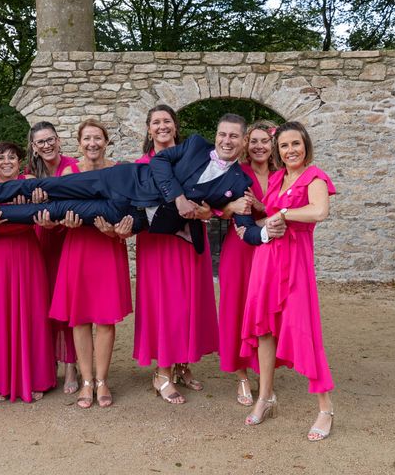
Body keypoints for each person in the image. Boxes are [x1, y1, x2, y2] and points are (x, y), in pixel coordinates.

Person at [0, 114, 276, 253]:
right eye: (223, 134)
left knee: (55, 209)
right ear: (216, 134)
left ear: (243, 140)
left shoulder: (238, 180)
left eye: (234, 136)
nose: (227, 141)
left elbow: (245, 227)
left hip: (130, 214)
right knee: (51, 186)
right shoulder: (196, 145)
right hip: (119, 178)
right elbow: (159, 161)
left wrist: (267, 230)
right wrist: (178, 199)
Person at [239, 121, 336, 441]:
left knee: (304, 331)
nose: (290, 150)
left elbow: (319, 211)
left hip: (295, 265)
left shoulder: (315, 177)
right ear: (278, 151)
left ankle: (325, 409)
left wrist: (283, 215)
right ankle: (265, 397)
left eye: (296, 144)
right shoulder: (279, 177)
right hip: (266, 261)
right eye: (284, 146)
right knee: (264, 330)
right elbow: (271, 214)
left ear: (306, 145)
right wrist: (261, 210)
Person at [132, 105, 216, 404]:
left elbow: (212, 196)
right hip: (158, 245)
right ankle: (162, 373)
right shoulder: (142, 164)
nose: (162, 126)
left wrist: (208, 210)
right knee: (166, 304)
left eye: (167, 121)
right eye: (156, 122)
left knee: (188, 302)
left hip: (190, 240)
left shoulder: (197, 159)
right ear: (149, 128)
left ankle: (182, 364)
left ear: (175, 126)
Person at [47, 119, 133, 408]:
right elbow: (57, 212)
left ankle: (102, 380)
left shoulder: (118, 172)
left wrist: (117, 229)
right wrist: (64, 222)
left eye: (98, 138)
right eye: (87, 138)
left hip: (108, 246)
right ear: (79, 142)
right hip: (79, 247)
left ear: (106, 142)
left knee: (105, 319)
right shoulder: (70, 173)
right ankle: (86, 381)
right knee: (80, 317)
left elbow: (128, 213)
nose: (92, 143)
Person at [0, 141, 56, 403]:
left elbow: (49, 218)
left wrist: (38, 209)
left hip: (27, 255)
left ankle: (34, 377)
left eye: (12, 157)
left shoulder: (30, 182)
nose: (6, 162)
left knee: (31, 313)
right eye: (1, 157)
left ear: (20, 162)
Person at [218, 120, 278, 406]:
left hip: (272, 252)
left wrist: (261, 207)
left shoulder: (283, 175)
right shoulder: (235, 172)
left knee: (267, 313)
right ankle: (242, 376)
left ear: (273, 145)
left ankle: (265, 378)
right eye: (253, 141)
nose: (259, 146)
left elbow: (290, 212)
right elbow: (218, 207)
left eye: (264, 141)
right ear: (245, 145)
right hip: (239, 249)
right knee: (236, 309)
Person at [26, 122, 79, 394]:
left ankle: (71, 364)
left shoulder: (70, 166)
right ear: (34, 148)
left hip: (65, 237)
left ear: (58, 141)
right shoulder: (29, 174)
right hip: (40, 239)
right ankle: (49, 363)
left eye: (50, 140)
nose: (46, 145)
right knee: (44, 301)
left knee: (66, 302)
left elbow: (68, 198)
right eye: (40, 142)